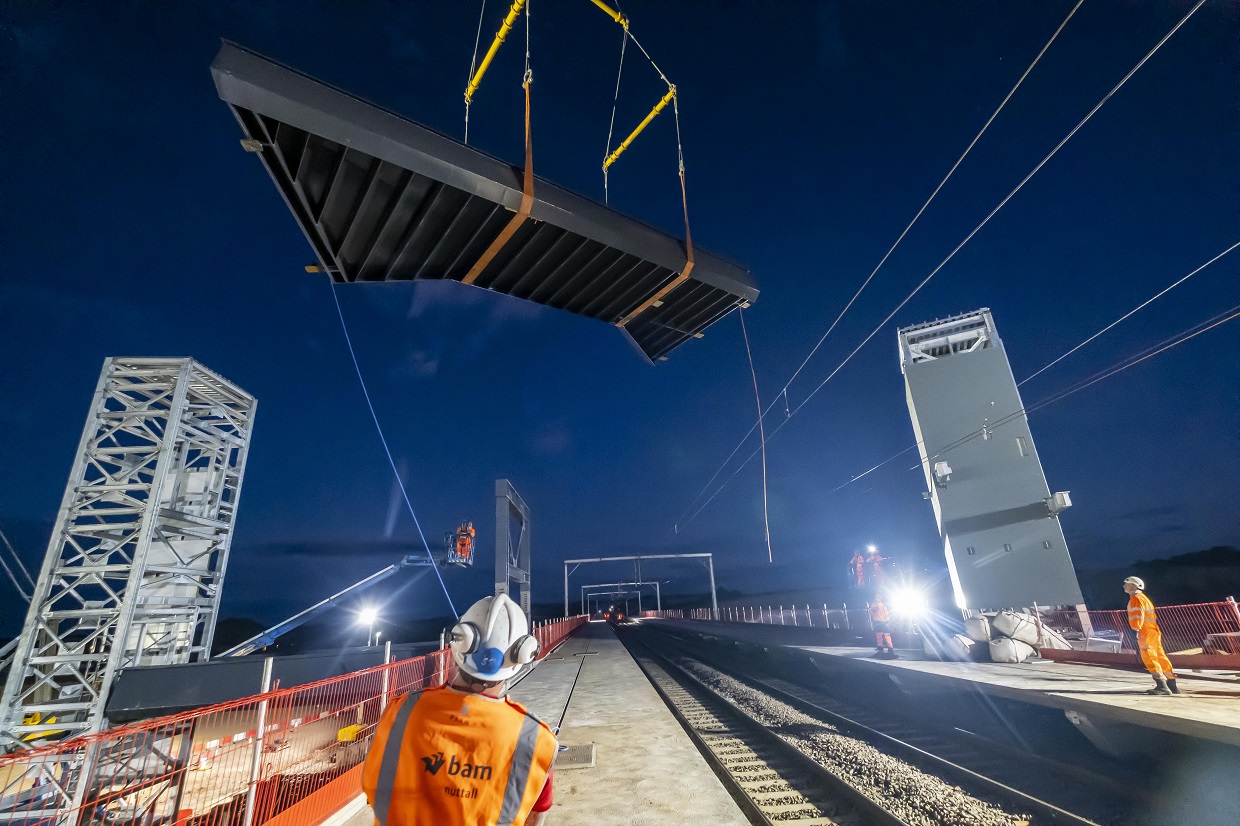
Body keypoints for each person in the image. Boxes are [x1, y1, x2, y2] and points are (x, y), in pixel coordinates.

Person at [362, 594, 557, 825]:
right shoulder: (536, 740)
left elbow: (373, 788)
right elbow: (534, 817)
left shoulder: (400, 712)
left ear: (459, 643)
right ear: (523, 654)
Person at [1124, 576, 1178, 696]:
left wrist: (1135, 631)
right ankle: (1171, 684)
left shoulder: (1135, 599)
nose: (1124, 586)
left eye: (1126, 584)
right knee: (1160, 656)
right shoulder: (1143, 598)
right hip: (1153, 630)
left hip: (1145, 632)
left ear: (1133, 586)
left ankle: (1161, 686)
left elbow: (1138, 617)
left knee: (1150, 657)